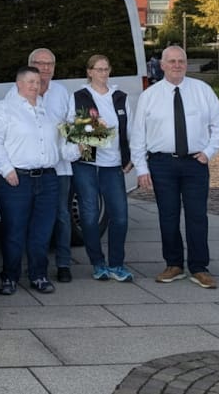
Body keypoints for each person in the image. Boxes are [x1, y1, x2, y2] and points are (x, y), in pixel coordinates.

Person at [130, 45, 219, 289]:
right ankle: (173, 264)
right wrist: (141, 168)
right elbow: (138, 134)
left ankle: (199, 267)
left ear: (186, 64)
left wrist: (209, 152)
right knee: (168, 216)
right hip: (162, 164)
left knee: (197, 216)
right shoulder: (150, 96)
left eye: (181, 61)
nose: (176, 65)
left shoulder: (202, 90)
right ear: (162, 65)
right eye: (171, 61)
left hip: (195, 163)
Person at [0, 66, 71, 295]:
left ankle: (38, 275)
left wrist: (81, 145)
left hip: (48, 178)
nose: (35, 86)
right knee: (14, 231)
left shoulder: (48, 113)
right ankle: (9, 277)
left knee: (42, 232)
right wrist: (6, 170)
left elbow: (62, 147)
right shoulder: (4, 108)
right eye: (30, 82)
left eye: (38, 82)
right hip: (16, 179)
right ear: (19, 84)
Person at [69, 55, 134, 282]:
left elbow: (130, 130)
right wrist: (95, 129)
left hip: (113, 164)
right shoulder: (79, 97)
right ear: (89, 72)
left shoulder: (120, 97)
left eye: (106, 69)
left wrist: (131, 156)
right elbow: (72, 131)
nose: (103, 74)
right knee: (89, 215)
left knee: (120, 216)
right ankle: (98, 263)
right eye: (98, 69)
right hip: (87, 163)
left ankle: (116, 264)